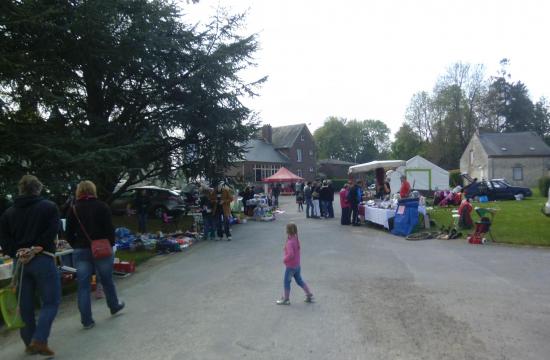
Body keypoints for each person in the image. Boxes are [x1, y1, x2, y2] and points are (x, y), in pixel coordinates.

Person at [0, 175, 61, 356]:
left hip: (20, 264)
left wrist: (17, 251)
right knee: (51, 302)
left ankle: (29, 344)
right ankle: (39, 340)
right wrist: (34, 249)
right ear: (38, 189)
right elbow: (52, 232)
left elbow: (4, 239)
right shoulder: (49, 207)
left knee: (24, 307)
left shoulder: (8, 213)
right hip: (42, 259)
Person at [66, 180, 125, 330]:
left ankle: (87, 320)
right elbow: (109, 229)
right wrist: (109, 244)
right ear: (93, 190)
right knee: (107, 280)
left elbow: (68, 233)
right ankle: (113, 305)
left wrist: (76, 245)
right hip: (102, 248)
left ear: (79, 192)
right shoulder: (102, 206)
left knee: (83, 286)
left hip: (81, 249)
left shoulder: (74, 209)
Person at [276, 223, 313, 305]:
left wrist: (284, 260)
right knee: (299, 281)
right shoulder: (295, 239)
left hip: (290, 267)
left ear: (287, 231)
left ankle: (286, 299)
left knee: (286, 282)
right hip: (297, 266)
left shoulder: (289, 243)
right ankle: (309, 295)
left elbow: (291, 254)